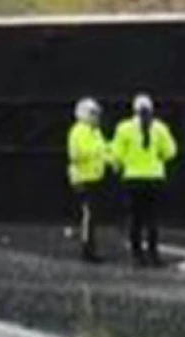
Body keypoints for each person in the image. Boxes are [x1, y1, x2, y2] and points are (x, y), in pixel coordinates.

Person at [110, 93, 178, 267]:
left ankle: (137, 255)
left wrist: (121, 164)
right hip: (154, 178)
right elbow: (170, 152)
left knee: (135, 218)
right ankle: (153, 255)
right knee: (152, 218)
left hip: (133, 178)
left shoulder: (124, 128)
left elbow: (116, 154)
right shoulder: (160, 128)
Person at [67, 97, 113, 263]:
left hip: (94, 176)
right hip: (83, 178)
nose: (96, 117)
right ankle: (87, 249)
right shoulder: (78, 130)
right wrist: (98, 151)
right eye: (93, 113)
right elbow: (76, 154)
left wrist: (112, 159)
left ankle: (91, 246)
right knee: (88, 214)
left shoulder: (95, 131)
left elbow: (104, 150)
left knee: (92, 214)